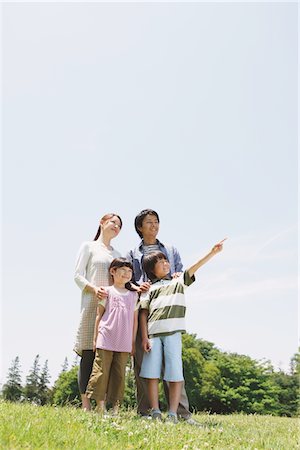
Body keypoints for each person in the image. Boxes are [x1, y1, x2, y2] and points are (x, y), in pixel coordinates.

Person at [139, 240, 225, 423]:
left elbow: (193, 268)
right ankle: (155, 411)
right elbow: (143, 314)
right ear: (151, 269)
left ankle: (172, 413)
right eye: (160, 262)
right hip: (153, 336)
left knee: (175, 374)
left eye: (165, 260)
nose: (166, 263)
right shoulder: (149, 289)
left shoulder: (178, 281)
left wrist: (212, 253)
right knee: (152, 375)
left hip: (173, 334)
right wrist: (144, 337)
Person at [126, 208, 193, 423]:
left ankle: (181, 413)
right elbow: (127, 280)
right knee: (144, 364)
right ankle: (146, 412)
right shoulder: (131, 254)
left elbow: (180, 273)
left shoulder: (170, 250)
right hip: (144, 311)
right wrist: (138, 285)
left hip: (167, 312)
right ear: (139, 227)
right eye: (149, 222)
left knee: (174, 364)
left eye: (156, 222)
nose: (154, 225)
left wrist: (175, 274)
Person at [74, 213, 123, 411]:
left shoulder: (117, 253)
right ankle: (86, 405)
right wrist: (94, 289)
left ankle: (103, 405)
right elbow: (77, 275)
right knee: (89, 352)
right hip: (91, 303)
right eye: (113, 222)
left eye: (119, 225)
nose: (116, 227)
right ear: (102, 223)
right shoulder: (89, 246)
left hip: (111, 309)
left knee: (106, 356)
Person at [85, 258, 139, 415]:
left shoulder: (133, 296)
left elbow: (134, 321)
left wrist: (133, 342)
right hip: (106, 337)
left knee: (119, 374)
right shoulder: (106, 291)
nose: (126, 274)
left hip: (124, 341)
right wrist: (95, 338)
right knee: (101, 372)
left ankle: (115, 409)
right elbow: (99, 316)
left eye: (129, 271)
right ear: (113, 271)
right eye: (123, 270)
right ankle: (100, 407)